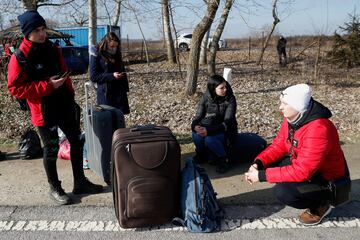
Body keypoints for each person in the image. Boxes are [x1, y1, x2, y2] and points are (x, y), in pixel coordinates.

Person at [7, 10, 103, 205]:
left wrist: (71, 95)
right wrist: (48, 86)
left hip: (65, 105)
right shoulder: (20, 57)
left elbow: (63, 74)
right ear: (27, 33)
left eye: (43, 29)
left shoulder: (53, 48)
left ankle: (80, 183)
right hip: (43, 112)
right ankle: (55, 188)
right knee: (50, 150)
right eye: (37, 30)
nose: (42, 34)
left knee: (77, 143)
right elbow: (15, 88)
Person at [245, 84, 350, 225]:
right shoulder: (293, 118)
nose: (280, 107)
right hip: (308, 168)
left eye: (284, 103)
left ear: (298, 106)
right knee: (271, 164)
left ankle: (321, 205)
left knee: (285, 192)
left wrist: (262, 176)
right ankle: (305, 191)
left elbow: (303, 171)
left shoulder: (319, 128)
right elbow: (279, 145)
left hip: (328, 180)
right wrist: (259, 163)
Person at [191, 75, 238, 174]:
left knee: (210, 139)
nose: (225, 89)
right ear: (213, 89)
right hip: (211, 126)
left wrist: (208, 131)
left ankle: (224, 160)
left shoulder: (230, 98)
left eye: (225, 86)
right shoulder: (206, 97)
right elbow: (198, 115)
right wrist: (195, 126)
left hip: (227, 130)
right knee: (196, 135)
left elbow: (228, 121)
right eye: (222, 88)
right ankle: (201, 155)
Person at [89, 32, 130, 114]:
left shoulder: (117, 54)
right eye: (112, 46)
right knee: (108, 122)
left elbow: (121, 69)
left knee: (120, 121)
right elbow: (93, 76)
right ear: (105, 44)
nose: (114, 48)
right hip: (106, 95)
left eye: (116, 46)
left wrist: (125, 88)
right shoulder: (97, 54)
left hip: (119, 93)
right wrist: (112, 76)